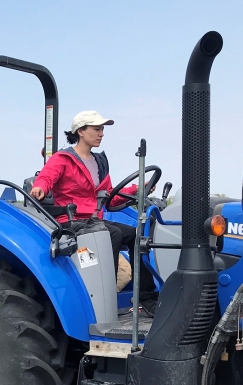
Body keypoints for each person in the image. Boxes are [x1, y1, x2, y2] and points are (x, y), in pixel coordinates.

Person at [30, 110, 158, 314]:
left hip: (94, 220)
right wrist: (40, 188)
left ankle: (147, 297)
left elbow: (109, 197)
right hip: (70, 221)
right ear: (81, 131)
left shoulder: (99, 163)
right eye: (97, 129)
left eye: (102, 130)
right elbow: (46, 177)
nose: (101, 134)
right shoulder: (62, 159)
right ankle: (105, 298)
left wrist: (137, 189)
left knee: (136, 235)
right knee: (112, 233)